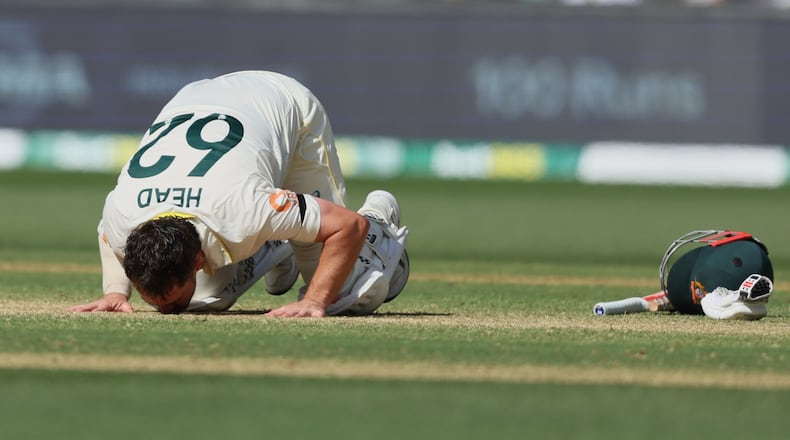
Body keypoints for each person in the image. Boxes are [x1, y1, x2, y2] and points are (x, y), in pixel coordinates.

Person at [69, 70, 409, 318]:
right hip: (199, 98)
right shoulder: (123, 216)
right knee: (203, 300)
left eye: (167, 302)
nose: (164, 311)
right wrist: (116, 291)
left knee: (347, 294)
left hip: (283, 103)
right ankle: (281, 241)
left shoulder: (244, 210)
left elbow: (346, 227)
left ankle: (379, 219)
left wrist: (315, 302)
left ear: (198, 260)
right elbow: (106, 231)